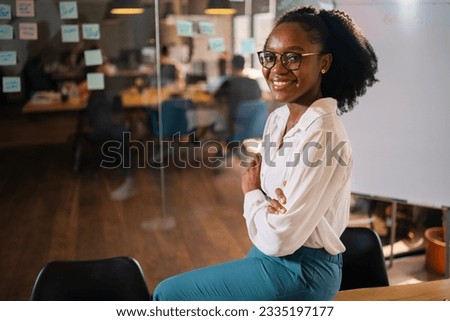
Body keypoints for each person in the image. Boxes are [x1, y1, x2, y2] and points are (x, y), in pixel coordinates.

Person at [152, 6, 378, 301]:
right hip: (271, 254)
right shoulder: (277, 120)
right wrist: (272, 204)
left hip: (303, 271)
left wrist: (253, 193)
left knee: (167, 295)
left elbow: (280, 237)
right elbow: (275, 219)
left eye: (293, 57)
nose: (277, 68)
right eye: (270, 57)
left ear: (324, 63)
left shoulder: (323, 137)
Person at [214, 54, 262, 137]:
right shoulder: (254, 83)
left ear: (231, 66)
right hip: (253, 125)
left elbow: (214, 98)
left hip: (233, 125)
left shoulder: (229, 83)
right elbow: (259, 97)